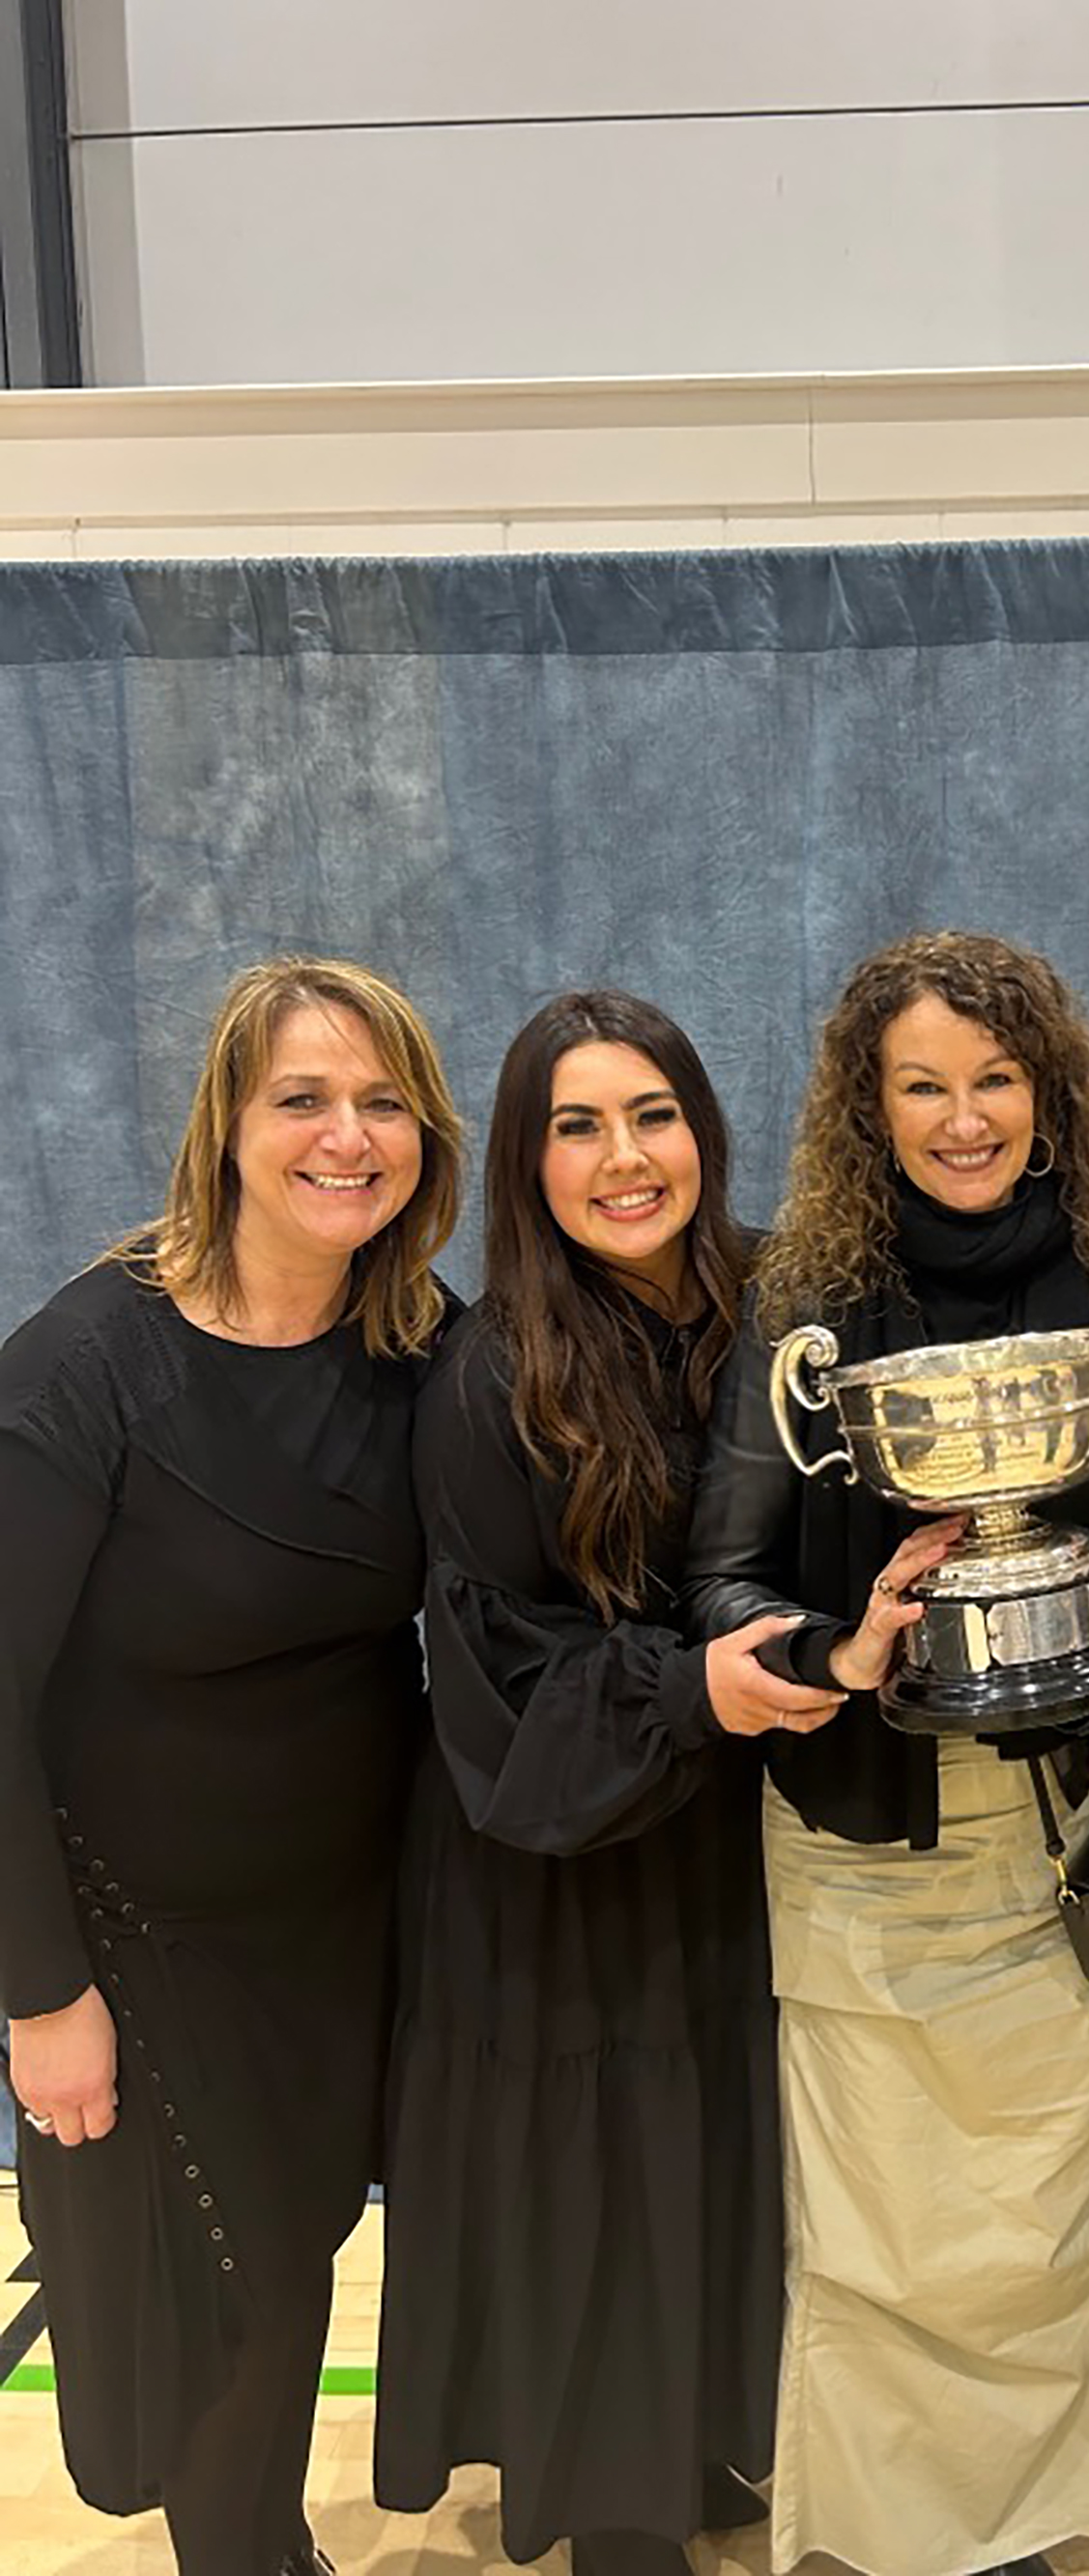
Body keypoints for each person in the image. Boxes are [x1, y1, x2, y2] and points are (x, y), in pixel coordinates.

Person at [681, 930, 1089, 2576]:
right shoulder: (807, 1305)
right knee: (888, 2240)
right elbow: (724, 1574)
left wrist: (1058, 1613)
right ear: (868, 1105)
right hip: (861, 1838)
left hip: (1060, 1833)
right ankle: (895, 2543)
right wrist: (854, 1650)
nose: (961, 1118)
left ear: (1045, 1098)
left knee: (1048, 2232)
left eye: (991, 1080)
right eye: (923, 1086)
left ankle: (1023, 2527)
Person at [0, 955, 462, 2576]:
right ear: (228, 1125)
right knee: (215, 2303)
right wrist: (40, 1993)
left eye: (382, 1101)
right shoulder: (85, 1366)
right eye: (303, 1100)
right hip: (140, 1940)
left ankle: (263, 2545)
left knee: (297, 2261)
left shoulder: (418, 1346)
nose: (349, 1136)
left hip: (338, 1934)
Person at [375, 992, 829, 2576]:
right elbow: (501, 1669)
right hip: (563, 1853)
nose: (625, 1157)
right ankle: (614, 2517)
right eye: (578, 1125)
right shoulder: (491, 1372)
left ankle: (708, 2446)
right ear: (525, 1161)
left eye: (652, 1115)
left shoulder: (782, 1312)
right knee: (604, 2182)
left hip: (730, 1843)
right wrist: (690, 1689)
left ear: (701, 1128)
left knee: (722, 2146)